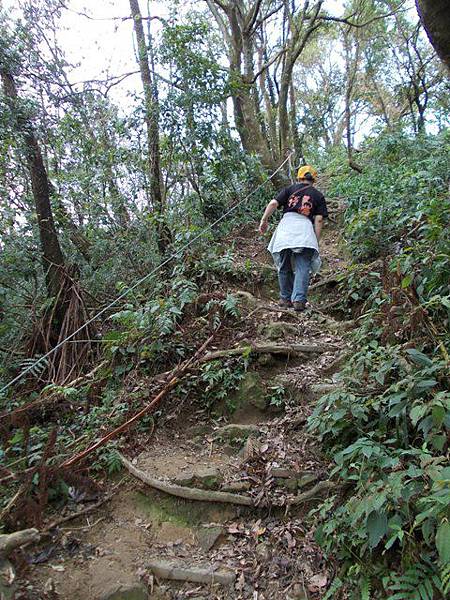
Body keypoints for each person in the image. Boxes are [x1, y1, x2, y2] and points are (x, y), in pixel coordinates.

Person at [258, 165, 328, 311]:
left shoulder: (289, 190)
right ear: (314, 179)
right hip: (304, 229)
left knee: (284, 265)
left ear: (299, 177)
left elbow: (273, 203)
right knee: (303, 266)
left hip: (286, 229)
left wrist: (264, 220)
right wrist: (316, 239)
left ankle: (285, 298)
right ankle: (298, 300)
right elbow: (319, 220)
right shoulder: (318, 195)